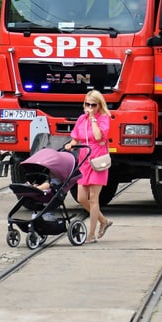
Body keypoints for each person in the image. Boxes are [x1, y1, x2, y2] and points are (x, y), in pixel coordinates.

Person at [63, 90, 112, 242]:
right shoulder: (81, 119)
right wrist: (70, 145)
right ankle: (103, 221)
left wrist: (93, 119)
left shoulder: (103, 118)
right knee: (81, 198)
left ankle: (91, 234)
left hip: (98, 160)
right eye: (87, 104)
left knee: (93, 198)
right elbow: (76, 138)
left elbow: (98, 136)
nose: (89, 107)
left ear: (99, 105)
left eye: (93, 105)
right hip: (84, 160)